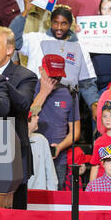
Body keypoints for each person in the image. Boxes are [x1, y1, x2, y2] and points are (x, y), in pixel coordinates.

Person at [10, 0, 100, 120]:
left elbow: (87, 83)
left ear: (70, 24)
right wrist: (25, 13)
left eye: (64, 23)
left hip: (64, 103)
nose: (59, 27)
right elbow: (13, 40)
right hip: (35, 99)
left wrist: (94, 104)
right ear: (50, 22)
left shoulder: (80, 47)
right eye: (55, 23)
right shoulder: (36, 39)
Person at [0, 26, 37, 208]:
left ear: (10, 49)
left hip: (13, 153)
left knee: (16, 213)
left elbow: (23, 105)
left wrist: (0, 79)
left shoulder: (25, 76)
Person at [30, 54, 81, 190]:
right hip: (32, 154)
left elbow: (75, 131)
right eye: (51, 75)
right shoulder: (29, 88)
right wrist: (44, 93)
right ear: (41, 70)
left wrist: (59, 147)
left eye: (58, 76)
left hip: (59, 159)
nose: (54, 80)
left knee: (55, 199)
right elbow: (28, 118)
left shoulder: (69, 93)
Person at [27, 112, 58, 191]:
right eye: (34, 116)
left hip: (40, 197)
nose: (38, 118)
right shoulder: (14, 142)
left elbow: (51, 175)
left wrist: (52, 196)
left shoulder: (41, 140)